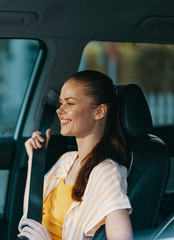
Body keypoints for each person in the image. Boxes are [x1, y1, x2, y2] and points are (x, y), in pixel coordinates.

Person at [18, 70, 132, 240]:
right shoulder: (67, 160)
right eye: (60, 103)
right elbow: (31, 213)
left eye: (70, 104)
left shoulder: (107, 173)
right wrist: (35, 159)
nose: (59, 110)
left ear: (99, 112)